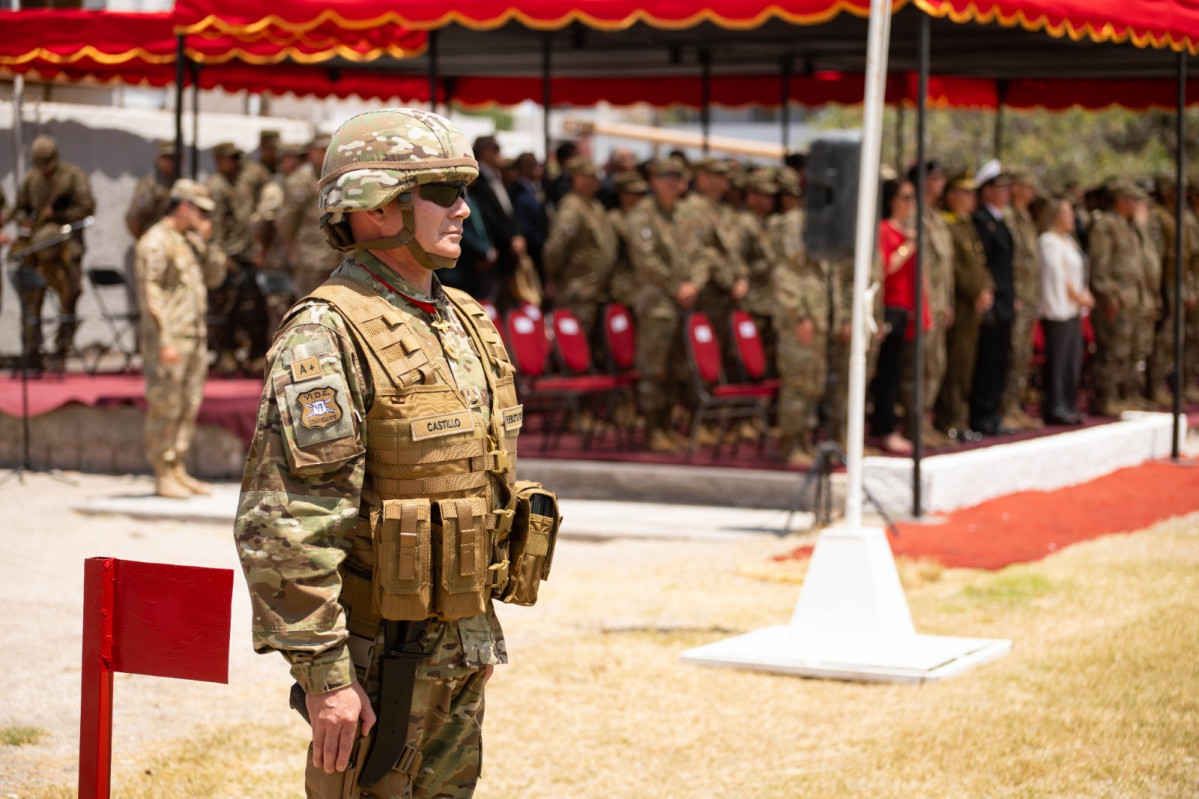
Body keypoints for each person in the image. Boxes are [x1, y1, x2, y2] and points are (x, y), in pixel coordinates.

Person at [232, 108, 558, 799]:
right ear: (377, 205)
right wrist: (327, 677)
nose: (464, 209)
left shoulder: (463, 318)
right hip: (381, 661)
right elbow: (287, 523)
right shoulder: (325, 334)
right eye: (442, 191)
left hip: (458, 646)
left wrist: (474, 633)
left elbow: (477, 485)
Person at [133, 179, 226, 498]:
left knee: (188, 404)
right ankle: (162, 471)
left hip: (193, 335)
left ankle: (178, 467)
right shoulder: (156, 241)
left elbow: (215, 279)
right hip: (170, 337)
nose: (204, 217)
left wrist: (209, 244)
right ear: (184, 206)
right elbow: (151, 292)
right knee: (165, 405)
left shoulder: (188, 240)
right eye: (200, 210)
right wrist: (164, 339)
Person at [626, 156, 696, 453]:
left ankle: (668, 426)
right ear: (653, 181)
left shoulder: (682, 214)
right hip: (656, 304)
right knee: (654, 370)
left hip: (681, 303)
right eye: (665, 176)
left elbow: (696, 253)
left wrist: (693, 284)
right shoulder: (643, 215)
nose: (672, 181)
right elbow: (647, 260)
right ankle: (653, 429)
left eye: (677, 177)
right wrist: (677, 286)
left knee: (676, 369)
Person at [13, 134, 96, 371]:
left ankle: (62, 348)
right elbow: (19, 209)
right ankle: (33, 350)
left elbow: (87, 208)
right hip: (37, 252)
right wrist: (28, 220)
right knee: (31, 299)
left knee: (70, 296)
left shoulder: (72, 177)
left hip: (67, 250)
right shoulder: (31, 179)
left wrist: (58, 216)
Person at [770, 166, 831, 466]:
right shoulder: (795, 222)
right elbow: (787, 271)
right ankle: (790, 443)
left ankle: (803, 440)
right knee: (796, 382)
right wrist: (800, 315)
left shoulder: (817, 221)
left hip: (816, 315)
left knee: (812, 383)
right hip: (799, 317)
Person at [934, 172, 993, 442]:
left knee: (966, 365)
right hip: (959, 303)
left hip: (973, 305)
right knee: (955, 365)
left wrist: (986, 289)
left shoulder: (965, 223)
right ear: (952, 195)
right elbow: (955, 268)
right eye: (966, 193)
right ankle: (949, 420)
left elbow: (978, 263)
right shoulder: (948, 223)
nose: (971, 198)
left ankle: (959, 418)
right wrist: (974, 291)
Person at [871, 177, 928, 454]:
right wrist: (907, 247)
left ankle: (894, 425)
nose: (910, 203)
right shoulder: (884, 230)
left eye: (912, 197)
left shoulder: (906, 231)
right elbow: (886, 267)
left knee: (900, 371)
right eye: (905, 197)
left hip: (907, 308)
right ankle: (883, 429)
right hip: (890, 307)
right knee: (887, 373)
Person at [1087, 178, 1150, 416]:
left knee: (1129, 351)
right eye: (1133, 199)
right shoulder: (1104, 225)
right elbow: (1099, 268)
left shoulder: (1128, 226)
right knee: (1112, 351)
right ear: (1121, 200)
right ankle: (1106, 398)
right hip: (1115, 301)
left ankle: (1125, 395)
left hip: (1132, 300)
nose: (1137, 204)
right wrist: (1109, 297)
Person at [541, 156, 619, 337]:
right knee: (575, 342)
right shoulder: (572, 207)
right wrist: (554, 276)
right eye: (590, 176)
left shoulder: (594, 204)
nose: (595, 181)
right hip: (578, 289)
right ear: (578, 178)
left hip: (598, 289)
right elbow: (555, 249)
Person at [969, 160, 1016, 436]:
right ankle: (982, 414)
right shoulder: (981, 221)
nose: (1007, 192)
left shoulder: (998, 221)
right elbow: (983, 264)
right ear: (986, 191)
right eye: (1001, 188)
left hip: (1004, 301)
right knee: (986, 361)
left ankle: (993, 413)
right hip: (992, 301)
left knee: (999, 361)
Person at [1037, 196, 1093, 425]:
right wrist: (1078, 295)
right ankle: (1055, 405)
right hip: (1058, 308)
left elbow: (1079, 270)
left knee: (1072, 359)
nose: (1072, 217)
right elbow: (1057, 274)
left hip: (1073, 309)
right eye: (1067, 212)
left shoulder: (1069, 240)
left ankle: (1069, 403)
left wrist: (1084, 293)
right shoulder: (1048, 240)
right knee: (1058, 361)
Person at [1002, 170, 1043, 429]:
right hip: (1015, 296)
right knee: (1011, 353)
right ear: (1015, 187)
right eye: (1029, 186)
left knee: (1022, 355)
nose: (1033, 192)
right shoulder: (1007, 217)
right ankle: (1004, 407)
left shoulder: (1026, 218)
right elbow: (1010, 262)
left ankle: (1014, 405)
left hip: (1028, 297)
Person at [125, 141, 177, 239]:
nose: (170, 162)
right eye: (166, 157)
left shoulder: (183, 182)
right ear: (159, 159)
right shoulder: (149, 185)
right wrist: (146, 237)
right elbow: (134, 219)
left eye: (174, 158)